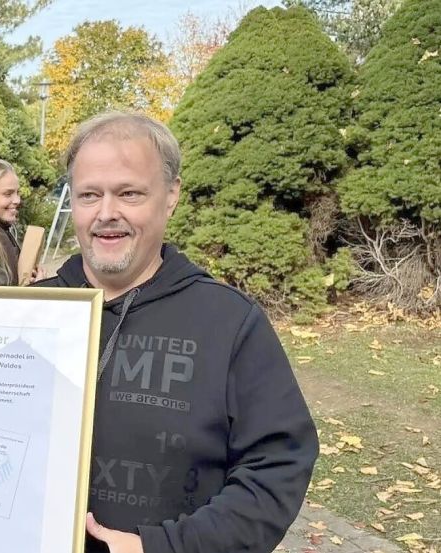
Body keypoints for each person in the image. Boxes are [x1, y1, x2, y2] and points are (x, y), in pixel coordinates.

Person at [35, 112, 318, 553]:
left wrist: (164, 547)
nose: (106, 213)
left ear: (171, 196)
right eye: (90, 195)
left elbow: (276, 467)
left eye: (129, 193)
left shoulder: (229, 323)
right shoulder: (32, 312)